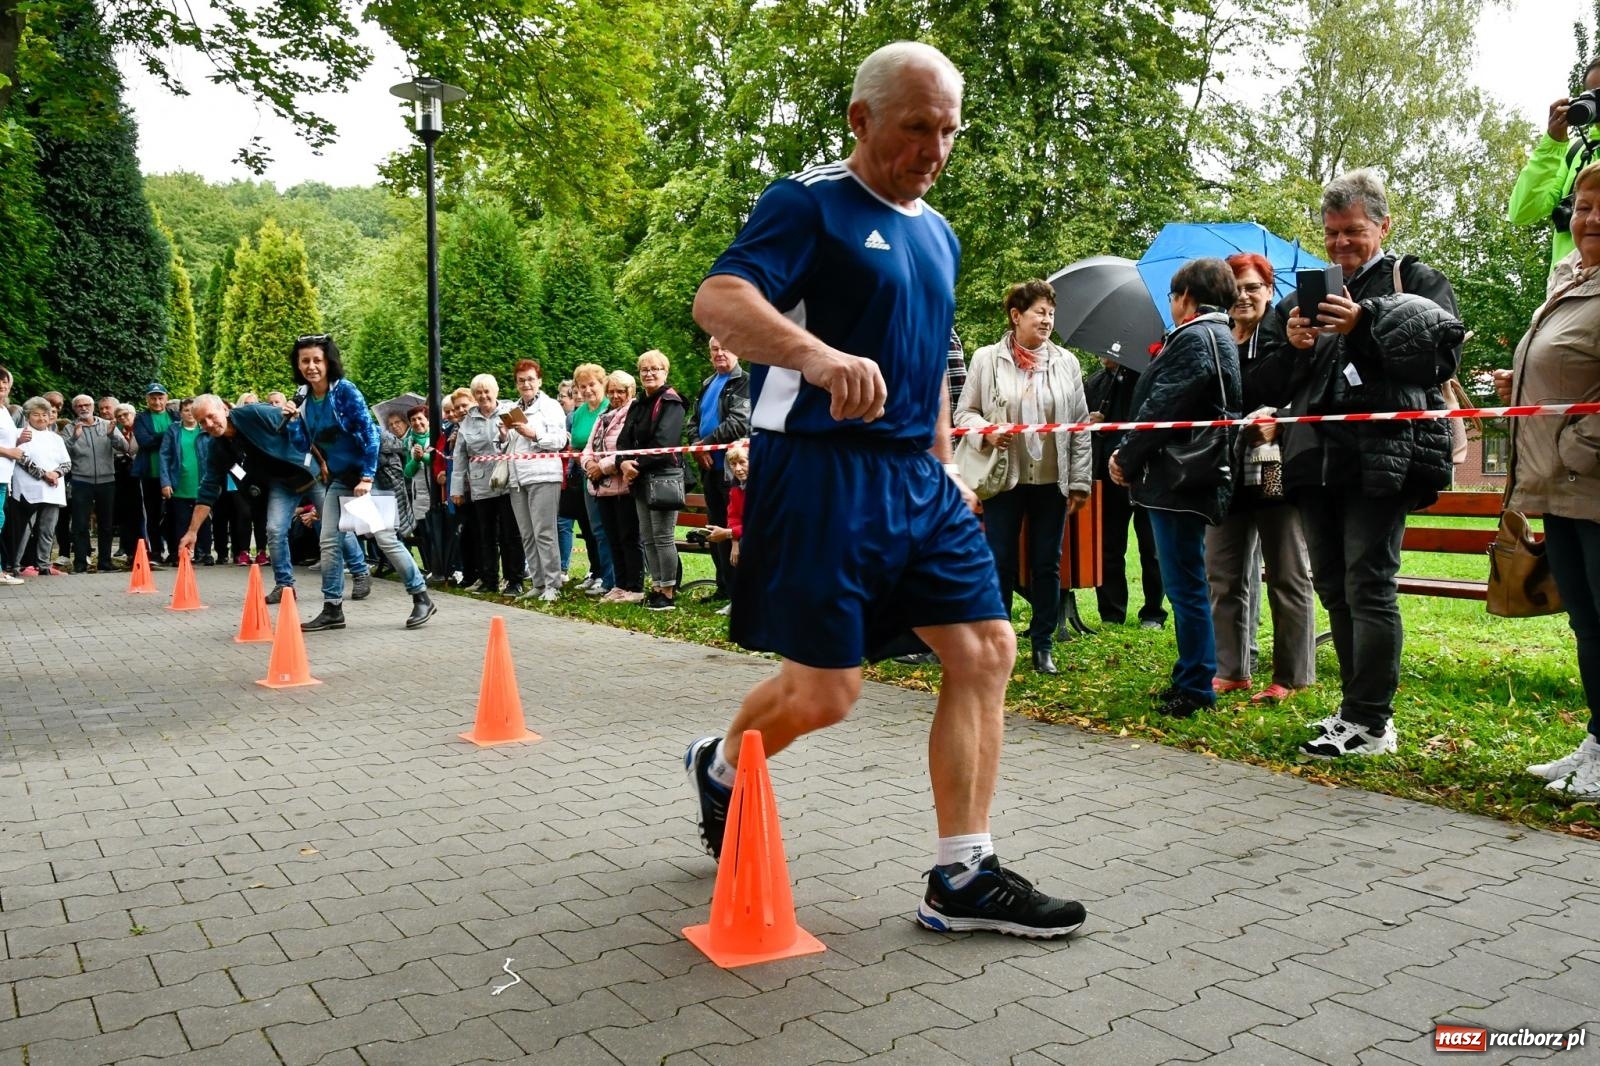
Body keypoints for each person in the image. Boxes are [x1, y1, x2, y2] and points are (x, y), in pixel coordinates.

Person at [685, 41, 1085, 938]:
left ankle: (962, 875)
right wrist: (817, 357)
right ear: (862, 120)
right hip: (821, 472)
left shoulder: (938, 231)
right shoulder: (809, 203)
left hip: (918, 474)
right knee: (829, 693)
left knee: (986, 651)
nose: (934, 149)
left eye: (948, 131)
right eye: (916, 127)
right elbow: (719, 301)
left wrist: (947, 461)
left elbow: (928, 368)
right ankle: (718, 764)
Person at [1257, 169, 1463, 758]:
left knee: (1369, 582)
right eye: (1330, 235)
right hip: (1314, 460)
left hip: (1385, 458)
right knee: (1335, 587)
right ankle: (1352, 713)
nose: (1340, 245)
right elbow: (1260, 381)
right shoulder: (1305, 294)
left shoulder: (1416, 279)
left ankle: (1373, 720)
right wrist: (1293, 343)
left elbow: (1438, 357)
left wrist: (1363, 325)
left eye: (1352, 232)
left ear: (1383, 225)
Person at [1501, 161, 1600, 797]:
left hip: (1588, 477)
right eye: (1584, 206)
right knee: (1588, 622)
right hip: (1562, 485)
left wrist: (1579, 444)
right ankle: (1599, 740)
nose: (1590, 219)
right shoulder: (1574, 280)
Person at [1109, 258, 1243, 719]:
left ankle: (1195, 685)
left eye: (1171, 296)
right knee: (1186, 582)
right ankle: (1191, 673)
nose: (1170, 304)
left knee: (1183, 585)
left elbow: (1161, 408)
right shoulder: (1221, 336)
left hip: (1180, 478)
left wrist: (1124, 456)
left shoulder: (1193, 338)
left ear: (1186, 295)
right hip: (1198, 474)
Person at [954, 279, 1091, 675]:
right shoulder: (986, 358)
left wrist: (1080, 481)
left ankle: (1042, 643)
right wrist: (986, 430)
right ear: (1016, 316)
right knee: (1000, 561)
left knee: (1047, 563)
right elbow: (965, 414)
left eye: (1051, 313)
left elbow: (1080, 425)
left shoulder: (1067, 362)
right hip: (1004, 478)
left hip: (1052, 480)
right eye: (1039, 312)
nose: (1047, 320)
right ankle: (997, 644)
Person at [1205, 253, 1317, 704]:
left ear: (1269, 290)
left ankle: (1292, 676)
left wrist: (1281, 418)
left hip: (1275, 465)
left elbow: (1308, 392)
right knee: (1224, 572)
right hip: (1226, 471)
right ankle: (1231, 668)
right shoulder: (1216, 340)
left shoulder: (1289, 333)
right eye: (1235, 288)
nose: (1244, 296)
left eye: (1253, 286)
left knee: (1286, 571)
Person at [284, 335, 438, 631]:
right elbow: (305, 444)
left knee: (385, 539)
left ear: (328, 362)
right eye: (305, 361)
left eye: (317, 360)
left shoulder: (345, 392)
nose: (311, 366)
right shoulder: (302, 398)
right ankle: (332, 609)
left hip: (369, 476)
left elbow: (370, 436)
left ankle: (421, 597)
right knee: (328, 541)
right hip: (341, 480)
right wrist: (292, 421)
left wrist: (367, 477)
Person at [1085, 358, 1167, 629]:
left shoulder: (1148, 375)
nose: (1104, 354)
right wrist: (1093, 421)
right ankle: (1111, 612)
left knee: (1152, 548)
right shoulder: (1096, 382)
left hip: (1146, 474)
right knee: (1108, 547)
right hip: (1107, 477)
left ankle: (1154, 612)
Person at [1509, 59, 1600, 275]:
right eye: (1596, 94)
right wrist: (1553, 144)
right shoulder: (1577, 152)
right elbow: (1522, 211)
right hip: (1569, 290)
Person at [616, 350, 685, 611]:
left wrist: (636, 466)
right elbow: (623, 440)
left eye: (655, 368)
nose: (649, 373)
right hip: (639, 478)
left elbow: (665, 443)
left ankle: (667, 591)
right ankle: (655, 586)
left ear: (665, 372)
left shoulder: (671, 402)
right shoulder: (637, 404)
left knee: (663, 536)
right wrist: (622, 462)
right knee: (647, 536)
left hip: (663, 478)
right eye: (644, 369)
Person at [687, 337, 752, 603]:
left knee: (733, 526)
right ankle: (723, 586)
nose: (720, 353)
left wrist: (705, 444)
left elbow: (739, 421)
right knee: (715, 527)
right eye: (715, 349)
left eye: (725, 347)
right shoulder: (707, 384)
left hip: (733, 467)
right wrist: (695, 446)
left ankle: (741, 592)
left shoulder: (745, 382)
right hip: (708, 467)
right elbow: (693, 421)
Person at [450, 373, 526, 596]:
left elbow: (521, 440)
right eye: (479, 392)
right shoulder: (467, 421)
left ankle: (515, 580)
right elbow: (460, 457)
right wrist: (456, 489)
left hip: (508, 481)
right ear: (474, 396)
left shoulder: (511, 410)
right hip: (481, 485)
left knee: (511, 534)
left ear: (496, 392)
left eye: (487, 391)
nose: (483, 396)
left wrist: (504, 438)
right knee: (486, 535)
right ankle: (489, 579)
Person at [504, 359, 569, 600]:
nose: (526, 384)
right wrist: (504, 436)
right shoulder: (512, 408)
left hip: (543, 475)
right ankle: (538, 583)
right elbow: (509, 445)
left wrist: (534, 434)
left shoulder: (551, 406)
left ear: (539, 381)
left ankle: (553, 584)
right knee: (527, 533)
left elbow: (560, 441)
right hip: (517, 478)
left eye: (530, 379)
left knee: (544, 532)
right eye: (521, 380)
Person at [586, 371, 645, 604]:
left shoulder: (634, 413)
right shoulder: (603, 416)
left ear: (630, 392)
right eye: (611, 391)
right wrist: (589, 464)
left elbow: (629, 448)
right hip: (602, 488)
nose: (615, 395)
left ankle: (635, 586)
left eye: (620, 391)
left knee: (629, 538)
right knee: (612, 538)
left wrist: (602, 466)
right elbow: (588, 447)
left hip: (624, 487)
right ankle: (619, 585)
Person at [63, 393, 128, 573]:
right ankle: (81, 563)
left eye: (87, 405)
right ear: (74, 409)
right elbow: (62, 453)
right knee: (80, 524)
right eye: (79, 406)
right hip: (80, 480)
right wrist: (74, 437)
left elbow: (125, 447)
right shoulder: (70, 428)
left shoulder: (108, 424)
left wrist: (112, 436)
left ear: (92, 407)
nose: (84, 408)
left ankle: (105, 563)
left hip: (107, 480)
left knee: (106, 524)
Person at [567, 363, 614, 596]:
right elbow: (576, 443)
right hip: (583, 476)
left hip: (608, 477)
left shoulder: (609, 408)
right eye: (582, 386)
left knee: (607, 528)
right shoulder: (579, 413)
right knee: (592, 528)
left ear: (603, 384)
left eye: (592, 385)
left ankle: (610, 577)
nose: (587, 390)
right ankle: (597, 572)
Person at [11, 397, 70, 576]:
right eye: (36, 414)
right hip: (29, 489)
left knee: (48, 530)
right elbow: (21, 457)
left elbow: (67, 462)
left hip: (53, 489)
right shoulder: (20, 433)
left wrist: (56, 474)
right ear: (28, 416)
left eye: (45, 414)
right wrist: (44, 474)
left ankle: (43, 564)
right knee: (24, 530)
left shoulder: (56, 438)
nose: (41, 418)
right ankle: (15, 564)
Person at [160, 398, 214, 565]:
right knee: (180, 520)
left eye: (193, 410)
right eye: (185, 410)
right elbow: (164, 456)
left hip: (202, 482)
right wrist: (165, 482)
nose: (189, 413)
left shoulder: (205, 429)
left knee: (203, 519)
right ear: (180, 413)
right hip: (180, 482)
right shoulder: (173, 430)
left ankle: (204, 552)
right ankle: (180, 554)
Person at [703, 441, 750, 618]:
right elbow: (733, 517)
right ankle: (736, 599)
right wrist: (734, 541)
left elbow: (759, 523)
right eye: (733, 464)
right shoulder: (736, 488)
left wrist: (731, 534)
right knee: (727, 549)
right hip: (743, 534)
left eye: (743, 462)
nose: (738, 469)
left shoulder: (763, 488)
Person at [132, 383, 174, 564]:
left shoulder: (175, 416)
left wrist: (156, 436)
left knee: (174, 514)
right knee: (153, 514)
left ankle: (174, 550)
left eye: (160, 398)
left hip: (172, 474)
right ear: (147, 399)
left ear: (166, 398)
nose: (157, 402)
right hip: (150, 473)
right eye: (153, 398)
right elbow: (144, 441)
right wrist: (167, 436)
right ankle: (156, 551)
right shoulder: (141, 418)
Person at [110, 403, 142, 562]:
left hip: (141, 476)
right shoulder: (117, 433)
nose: (123, 418)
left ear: (133, 414)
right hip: (124, 477)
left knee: (140, 514)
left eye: (125, 414)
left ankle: (144, 550)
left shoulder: (141, 429)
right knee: (126, 515)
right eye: (119, 416)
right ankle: (130, 552)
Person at [0, 368, 23, 584]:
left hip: (4, 474)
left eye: (5, 387)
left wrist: (19, 441)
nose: (3, 392)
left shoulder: (5, 410)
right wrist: (10, 452)